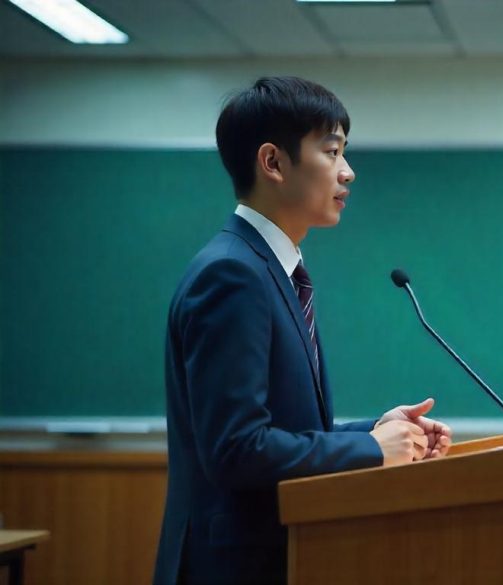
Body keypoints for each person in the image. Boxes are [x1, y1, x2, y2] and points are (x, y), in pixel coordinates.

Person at [153, 76, 452, 585]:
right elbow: (237, 449)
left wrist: (376, 431)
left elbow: (281, 430)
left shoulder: (269, 269)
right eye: (332, 152)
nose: (348, 172)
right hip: (233, 567)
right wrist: (372, 451)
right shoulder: (233, 274)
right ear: (272, 162)